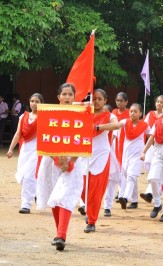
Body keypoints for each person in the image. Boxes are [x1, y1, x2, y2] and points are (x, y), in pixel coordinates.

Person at [36, 83, 85, 251]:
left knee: (65, 196)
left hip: (75, 161)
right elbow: (44, 138)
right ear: (58, 97)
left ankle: (61, 235)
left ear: (74, 97)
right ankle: (60, 232)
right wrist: (56, 159)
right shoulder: (49, 114)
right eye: (64, 94)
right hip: (52, 161)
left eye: (70, 94)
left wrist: (71, 161)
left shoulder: (81, 115)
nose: (67, 97)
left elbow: (83, 140)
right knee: (55, 197)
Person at [98, 103, 150, 210]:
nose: (132, 113)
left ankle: (125, 198)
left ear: (140, 113)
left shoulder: (144, 125)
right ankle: (135, 201)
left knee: (131, 176)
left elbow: (152, 136)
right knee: (128, 176)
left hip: (137, 155)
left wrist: (145, 151)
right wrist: (100, 127)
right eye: (131, 111)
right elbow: (116, 126)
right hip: (126, 155)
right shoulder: (125, 122)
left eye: (135, 111)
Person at [81, 89, 118, 233]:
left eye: (99, 99)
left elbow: (116, 125)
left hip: (101, 156)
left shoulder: (109, 115)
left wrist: (97, 127)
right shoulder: (85, 112)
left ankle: (91, 221)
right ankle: (88, 208)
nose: (96, 101)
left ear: (105, 101)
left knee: (95, 191)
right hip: (83, 154)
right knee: (82, 188)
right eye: (94, 98)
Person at [7, 93, 44, 214]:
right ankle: (36, 193)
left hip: (38, 150)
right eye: (32, 101)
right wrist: (11, 149)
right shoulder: (23, 116)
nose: (34, 103)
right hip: (25, 149)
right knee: (23, 176)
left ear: (41, 103)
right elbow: (18, 134)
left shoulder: (45, 117)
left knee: (29, 176)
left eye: (37, 101)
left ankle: (25, 204)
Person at [140, 95, 163, 204]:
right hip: (150, 143)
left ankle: (150, 193)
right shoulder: (150, 114)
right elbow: (143, 126)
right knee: (147, 165)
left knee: (156, 170)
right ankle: (156, 190)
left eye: (161, 102)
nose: (159, 104)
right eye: (158, 102)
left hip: (160, 145)